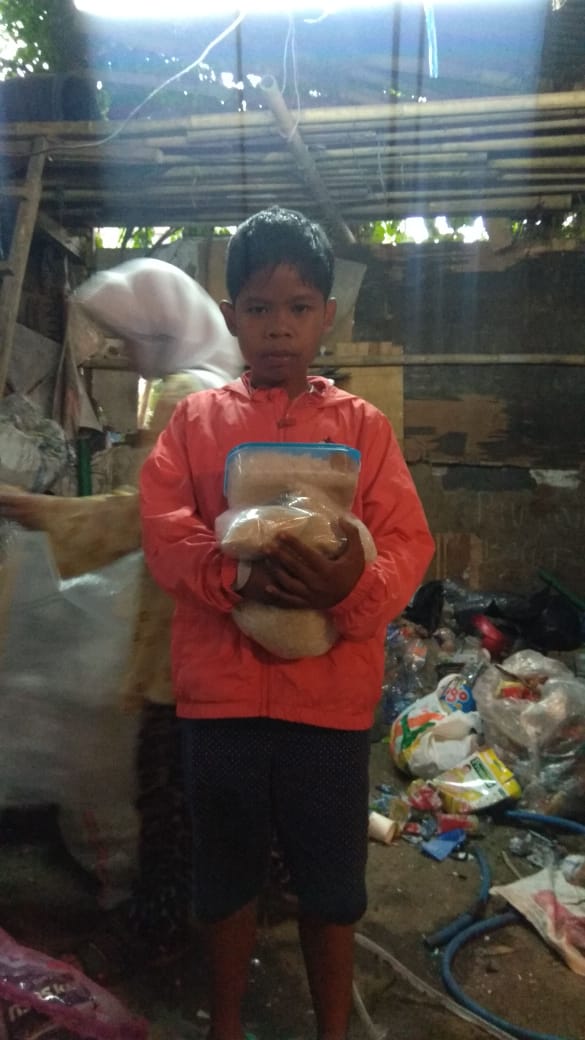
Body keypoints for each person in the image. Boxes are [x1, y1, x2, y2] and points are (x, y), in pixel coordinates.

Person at [139, 206, 434, 1040]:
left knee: (330, 884)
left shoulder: (363, 429)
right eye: (260, 308)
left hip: (328, 705)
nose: (278, 327)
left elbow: (406, 543)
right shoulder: (195, 424)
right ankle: (226, 1026)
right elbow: (164, 529)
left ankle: (331, 1028)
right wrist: (236, 573)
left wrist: (349, 587)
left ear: (325, 316)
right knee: (225, 875)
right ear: (230, 314)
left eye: (298, 308)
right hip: (221, 701)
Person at [0, 259, 243, 976]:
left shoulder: (182, 394)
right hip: (209, 622)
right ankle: (203, 915)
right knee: (191, 786)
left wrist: (42, 512)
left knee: (164, 794)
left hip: (179, 634)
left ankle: (158, 935)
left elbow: (145, 516)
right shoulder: (221, 382)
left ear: (161, 330)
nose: (126, 353)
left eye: (131, 337)